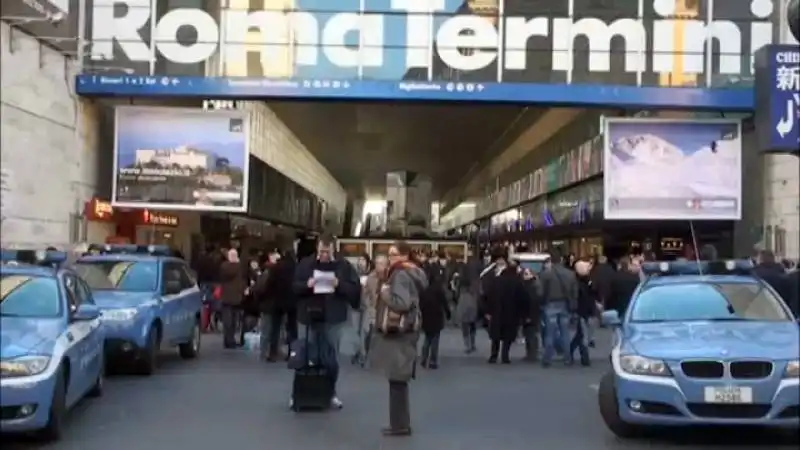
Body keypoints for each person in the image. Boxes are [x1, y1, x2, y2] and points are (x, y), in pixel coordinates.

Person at [292, 235, 361, 409]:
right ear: (317, 248)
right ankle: (300, 392)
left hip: (333, 317)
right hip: (307, 317)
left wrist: (339, 284)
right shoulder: (305, 264)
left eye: (327, 251)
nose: (324, 254)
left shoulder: (344, 266)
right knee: (304, 355)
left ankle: (331, 393)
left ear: (333, 250)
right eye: (321, 251)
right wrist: (307, 285)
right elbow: (293, 287)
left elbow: (354, 290)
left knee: (331, 357)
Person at [370, 241, 427, 436]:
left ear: (404, 256)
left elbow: (401, 303)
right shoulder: (413, 272)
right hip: (409, 331)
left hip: (399, 333)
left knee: (396, 380)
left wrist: (385, 294)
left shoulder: (400, 274)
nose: (390, 258)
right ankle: (400, 423)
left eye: (394, 254)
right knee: (399, 380)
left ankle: (399, 425)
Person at [481, 246, 528, 364]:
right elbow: (522, 298)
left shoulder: (496, 281)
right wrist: (522, 313)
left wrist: (488, 311)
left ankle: (493, 355)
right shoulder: (517, 282)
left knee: (496, 336)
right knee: (508, 336)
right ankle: (505, 356)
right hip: (511, 313)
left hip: (497, 312)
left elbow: (489, 296)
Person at [537, 249, 579, 367]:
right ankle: (567, 358)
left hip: (550, 304)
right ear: (561, 259)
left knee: (550, 333)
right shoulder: (570, 274)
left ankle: (547, 358)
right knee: (565, 332)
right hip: (565, 304)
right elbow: (574, 291)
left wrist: (541, 302)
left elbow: (540, 292)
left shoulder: (546, 274)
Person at [419, 263, 451, 369]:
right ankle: (433, 360)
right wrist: (448, 313)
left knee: (427, 339)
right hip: (437, 316)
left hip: (426, 316)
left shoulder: (425, 289)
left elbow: (421, 303)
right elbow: (444, 302)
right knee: (435, 340)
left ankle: (423, 359)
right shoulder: (439, 289)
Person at [358, 254, 388, 366]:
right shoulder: (371, 277)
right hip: (372, 310)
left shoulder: (390, 277)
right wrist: (369, 307)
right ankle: (365, 355)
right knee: (366, 333)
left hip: (386, 311)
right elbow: (365, 295)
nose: (378, 266)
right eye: (377, 264)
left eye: (381, 264)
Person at [569, 260, 595, 367]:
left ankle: (569, 351)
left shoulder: (585, 281)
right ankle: (585, 358)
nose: (589, 270)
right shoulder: (580, 282)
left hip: (584, 310)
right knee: (583, 335)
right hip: (582, 311)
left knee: (580, 335)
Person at [219, 248, 246, 349]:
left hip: (228, 296)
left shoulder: (224, 266)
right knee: (232, 320)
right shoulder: (237, 266)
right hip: (233, 297)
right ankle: (230, 340)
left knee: (230, 321)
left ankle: (228, 340)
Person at [455, 255, 481, 354]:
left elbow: (456, 292)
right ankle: (473, 343)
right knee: (472, 324)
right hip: (473, 303)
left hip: (463, 302)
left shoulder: (461, 282)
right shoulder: (476, 283)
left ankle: (468, 345)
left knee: (465, 325)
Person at [520, 267, 542, 362]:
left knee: (531, 334)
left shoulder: (532, 286)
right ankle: (530, 353)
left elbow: (533, 302)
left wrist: (529, 315)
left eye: (527, 274)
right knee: (528, 334)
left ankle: (532, 354)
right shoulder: (527, 285)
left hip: (530, 314)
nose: (525, 276)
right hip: (527, 313)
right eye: (524, 274)